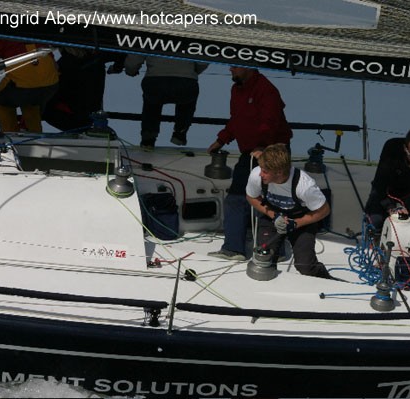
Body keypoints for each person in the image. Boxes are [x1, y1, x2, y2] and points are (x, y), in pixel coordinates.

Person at [207, 67, 293, 261]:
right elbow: (236, 120)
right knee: (237, 197)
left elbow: (270, 121)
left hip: (272, 150)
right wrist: (222, 140)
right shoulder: (236, 90)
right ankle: (233, 249)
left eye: (234, 65)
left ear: (248, 67)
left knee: (272, 199)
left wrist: (263, 146)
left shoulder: (266, 90)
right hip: (250, 152)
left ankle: (274, 251)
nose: (230, 68)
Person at [246, 143, 331, 279]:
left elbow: (324, 210)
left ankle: (328, 283)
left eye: (265, 171)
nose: (261, 174)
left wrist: (295, 223)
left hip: (301, 221)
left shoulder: (304, 186)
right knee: (264, 259)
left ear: (279, 172)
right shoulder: (256, 175)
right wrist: (274, 216)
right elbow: (251, 197)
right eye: (261, 169)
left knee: (305, 266)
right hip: (272, 216)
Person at [0, 39, 59, 133]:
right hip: (51, 83)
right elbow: (55, 66)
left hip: (23, 82)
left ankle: (9, 134)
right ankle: (33, 133)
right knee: (31, 102)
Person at [124, 55, 208, 149]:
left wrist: (131, 71)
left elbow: (133, 60)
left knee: (151, 103)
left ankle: (148, 138)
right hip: (186, 81)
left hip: (155, 81)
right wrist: (193, 71)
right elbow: (202, 61)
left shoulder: (149, 39)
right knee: (188, 99)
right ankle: (180, 133)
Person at [43, 47, 124, 131]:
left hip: (71, 118)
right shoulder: (97, 58)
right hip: (90, 117)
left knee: (42, 103)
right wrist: (117, 67)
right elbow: (121, 53)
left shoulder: (63, 65)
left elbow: (52, 96)